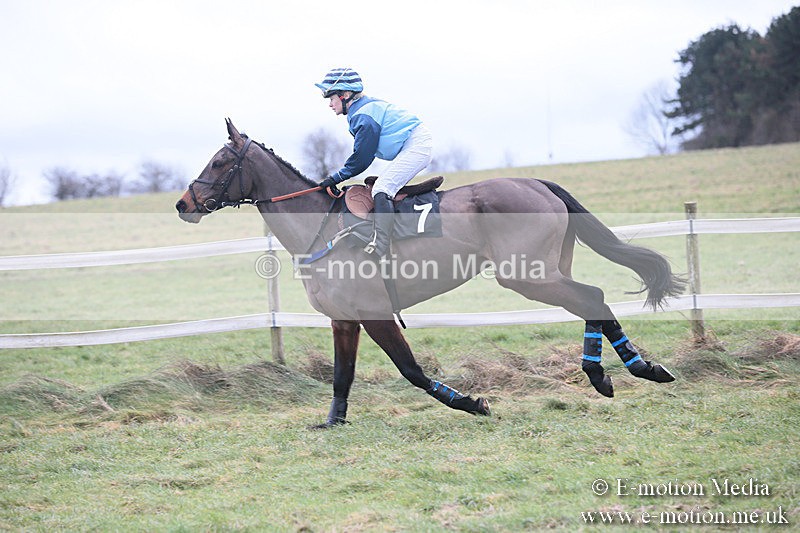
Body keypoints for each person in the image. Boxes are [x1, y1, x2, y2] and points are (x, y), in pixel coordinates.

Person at [316, 68, 433, 258]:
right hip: (413, 144)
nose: (330, 104)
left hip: (416, 144)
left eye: (331, 98)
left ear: (345, 95)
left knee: (382, 188)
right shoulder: (360, 110)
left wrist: (336, 177)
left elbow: (362, 157)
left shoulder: (362, 116)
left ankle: (381, 247)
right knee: (383, 187)